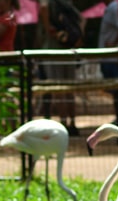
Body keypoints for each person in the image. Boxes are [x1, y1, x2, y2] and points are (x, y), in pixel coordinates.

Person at [36, 0, 84, 136]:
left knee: (58, 89)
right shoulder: (66, 3)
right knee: (70, 89)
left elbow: (47, 24)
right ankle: (73, 123)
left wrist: (49, 29)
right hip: (69, 51)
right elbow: (81, 20)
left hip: (53, 52)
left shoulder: (46, 4)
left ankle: (64, 124)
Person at [98, 0, 118, 132]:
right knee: (115, 89)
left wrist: (115, 43)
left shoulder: (114, 7)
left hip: (112, 57)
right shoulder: (113, 7)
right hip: (108, 57)